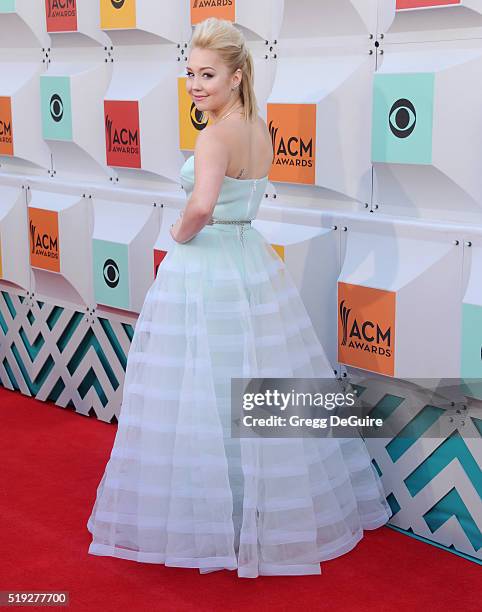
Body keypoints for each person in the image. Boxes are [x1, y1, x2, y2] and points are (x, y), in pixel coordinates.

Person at [86, 17, 392, 579]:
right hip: (249, 259)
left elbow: (202, 206)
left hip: (205, 265)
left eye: (208, 75)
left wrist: (177, 233)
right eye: (190, 75)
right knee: (246, 383)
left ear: (236, 76)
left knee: (199, 388)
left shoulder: (212, 135)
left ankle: (212, 517)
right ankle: (252, 511)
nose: (196, 86)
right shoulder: (256, 127)